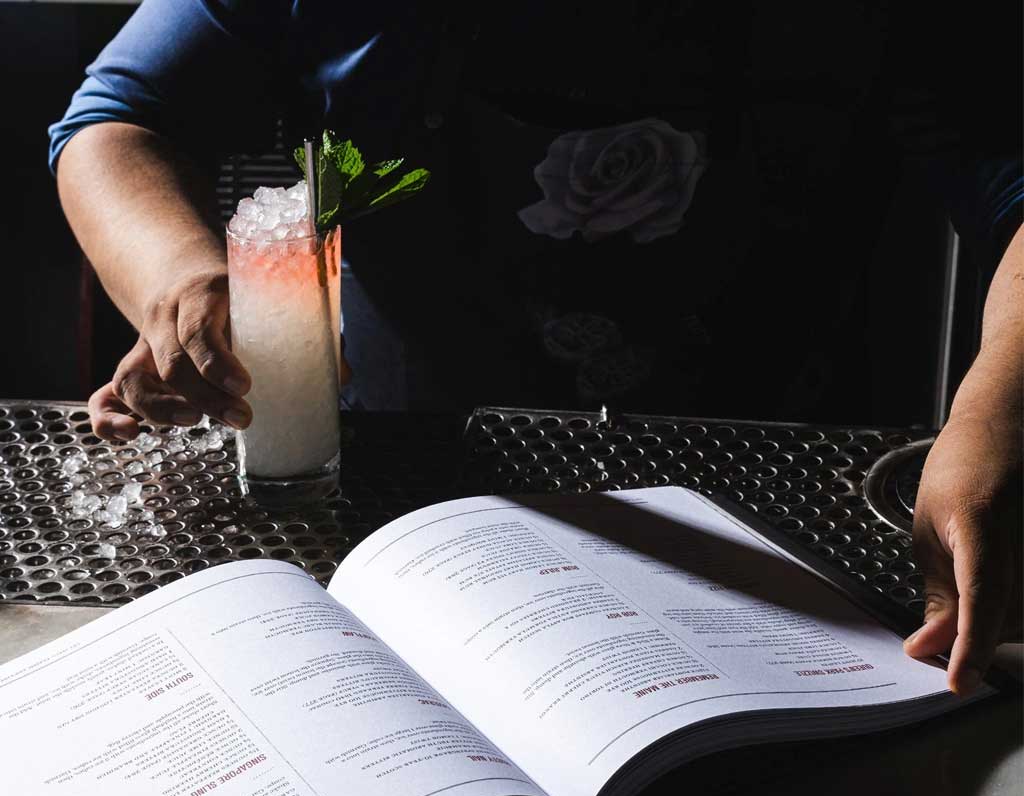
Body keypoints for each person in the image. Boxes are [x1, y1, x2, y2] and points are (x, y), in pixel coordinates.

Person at [49, 2, 1021, 696]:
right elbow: (115, 121)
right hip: (417, 481)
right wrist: (183, 283)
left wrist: (995, 409)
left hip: (771, 495)